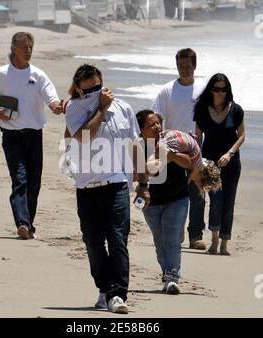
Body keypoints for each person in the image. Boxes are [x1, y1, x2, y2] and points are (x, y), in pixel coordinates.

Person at [65, 64, 149, 314]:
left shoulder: (123, 108)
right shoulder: (74, 108)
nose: (96, 94)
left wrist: (143, 184)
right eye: (89, 91)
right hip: (87, 186)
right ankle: (104, 287)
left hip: (117, 184)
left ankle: (117, 295)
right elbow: (83, 136)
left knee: (117, 239)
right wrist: (101, 107)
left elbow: (136, 147)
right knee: (92, 243)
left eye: (99, 89)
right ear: (79, 90)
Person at [0, 32, 62, 240]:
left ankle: (28, 225)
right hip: (11, 135)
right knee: (20, 179)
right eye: (24, 47)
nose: (28, 51)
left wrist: (57, 107)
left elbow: (52, 100)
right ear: (14, 48)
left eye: (31, 47)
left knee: (34, 183)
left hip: (34, 135)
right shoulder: (2, 74)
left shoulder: (38, 75)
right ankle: (22, 223)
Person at [153, 48, 207, 250]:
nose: (184, 69)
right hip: (172, 146)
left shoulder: (203, 90)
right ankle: (178, 230)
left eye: (188, 66)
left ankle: (196, 234)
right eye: (180, 65)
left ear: (195, 66)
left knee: (197, 189)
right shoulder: (167, 90)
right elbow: (157, 117)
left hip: (196, 145)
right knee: (175, 190)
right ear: (176, 65)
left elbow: (207, 117)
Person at [136, 109, 191, 294]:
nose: (157, 127)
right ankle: (167, 273)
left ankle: (172, 278)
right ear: (141, 130)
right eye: (151, 125)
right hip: (152, 204)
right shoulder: (137, 147)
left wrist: (170, 155)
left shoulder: (171, 140)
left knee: (171, 240)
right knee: (160, 243)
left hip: (178, 198)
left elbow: (188, 162)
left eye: (158, 123)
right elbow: (133, 174)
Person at [193, 73, 245, 255]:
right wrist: (196, 162)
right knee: (216, 200)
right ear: (211, 90)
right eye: (216, 89)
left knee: (228, 202)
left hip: (231, 163)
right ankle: (214, 242)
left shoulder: (236, 110)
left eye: (223, 89)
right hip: (209, 163)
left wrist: (230, 154)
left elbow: (242, 136)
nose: (220, 93)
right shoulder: (201, 109)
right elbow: (197, 138)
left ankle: (224, 243)